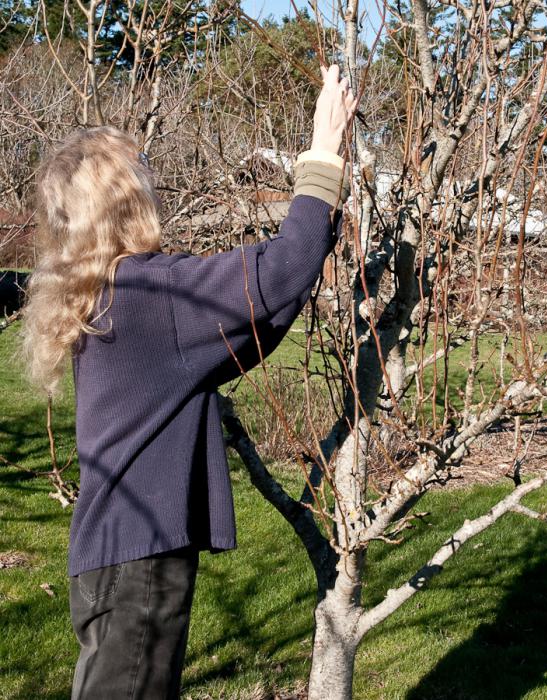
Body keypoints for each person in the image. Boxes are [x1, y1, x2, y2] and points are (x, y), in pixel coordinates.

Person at [19, 63, 357, 699]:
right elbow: (277, 277)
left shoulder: (108, 296)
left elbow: (261, 318)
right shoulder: (148, 294)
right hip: (136, 562)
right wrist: (323, 152)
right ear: (124, 202)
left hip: (118, 556)